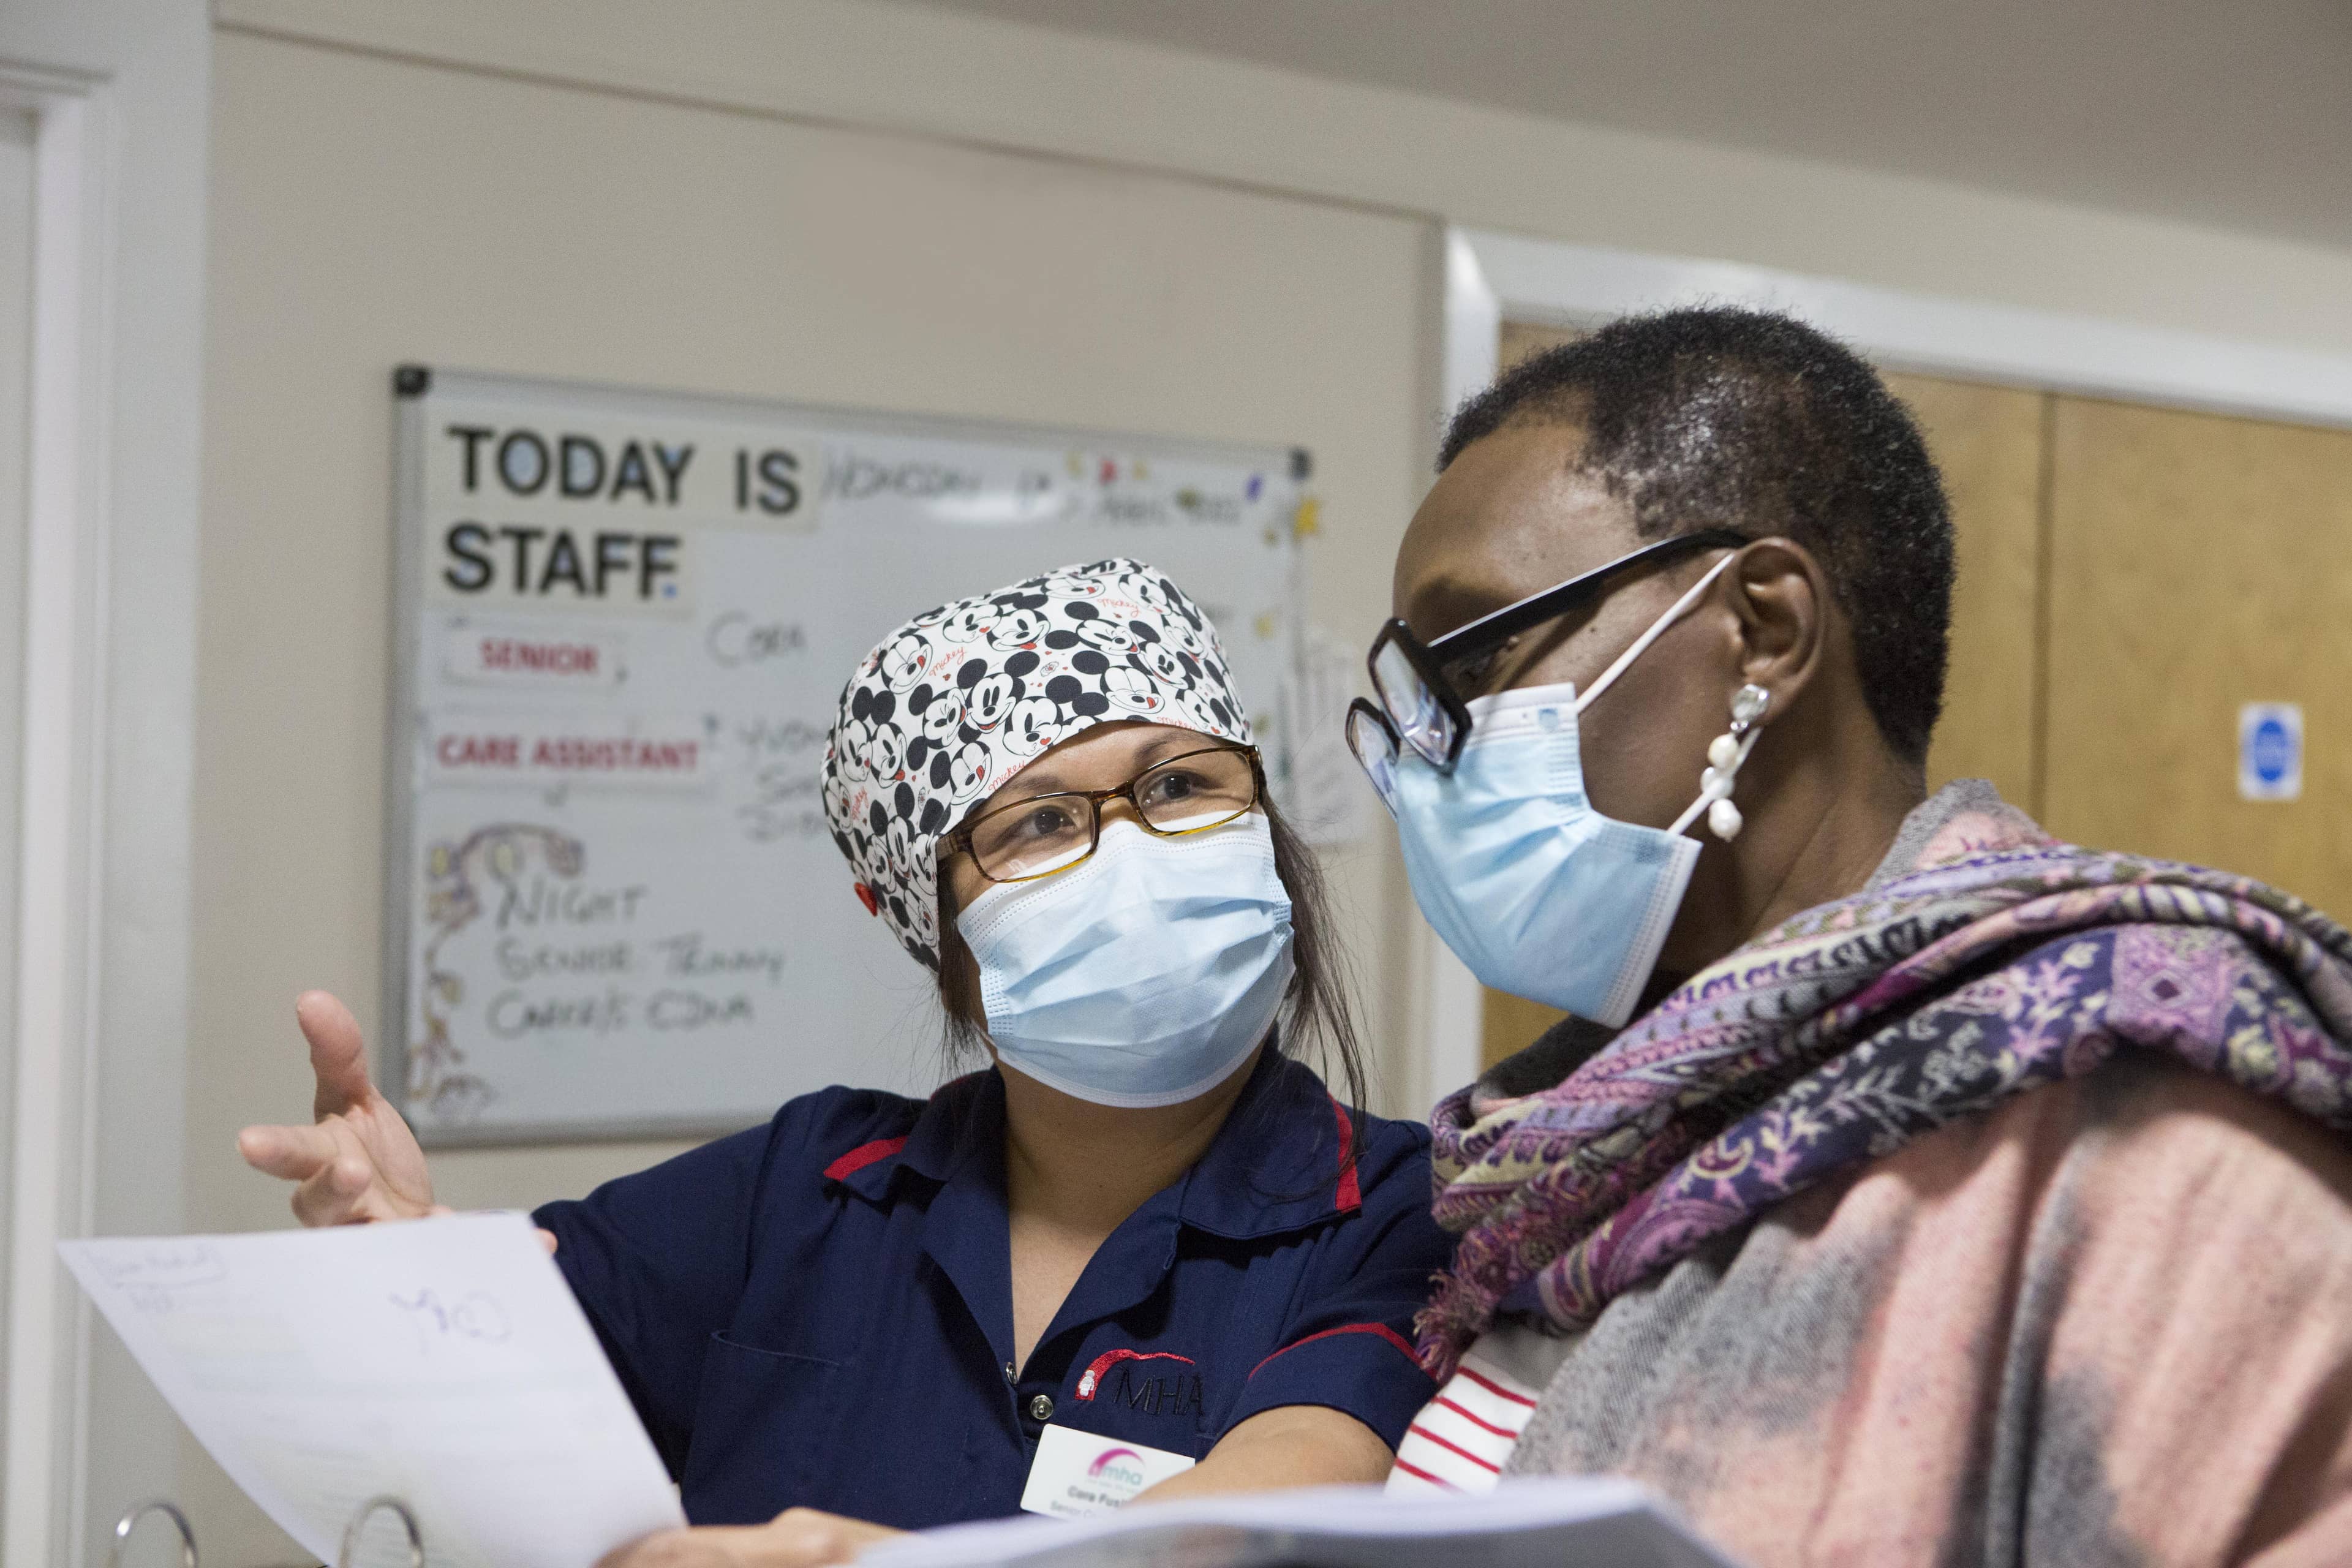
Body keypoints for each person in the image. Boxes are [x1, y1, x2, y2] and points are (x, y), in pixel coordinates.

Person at [1352, 309, 2352, 1564]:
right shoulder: (1555, 1162)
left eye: (1480, 647)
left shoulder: (2157, 1158)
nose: (1428, 749)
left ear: (1763, 631)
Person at [239, 558, 1453, 1566]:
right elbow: (498, 1404)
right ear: (936, 926)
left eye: (1180, 783)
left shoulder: (1408, 1207)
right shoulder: (807, 1187)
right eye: (1034, 820)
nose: (1130, 852)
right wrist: (403, 1262)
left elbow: (1272, 1505)